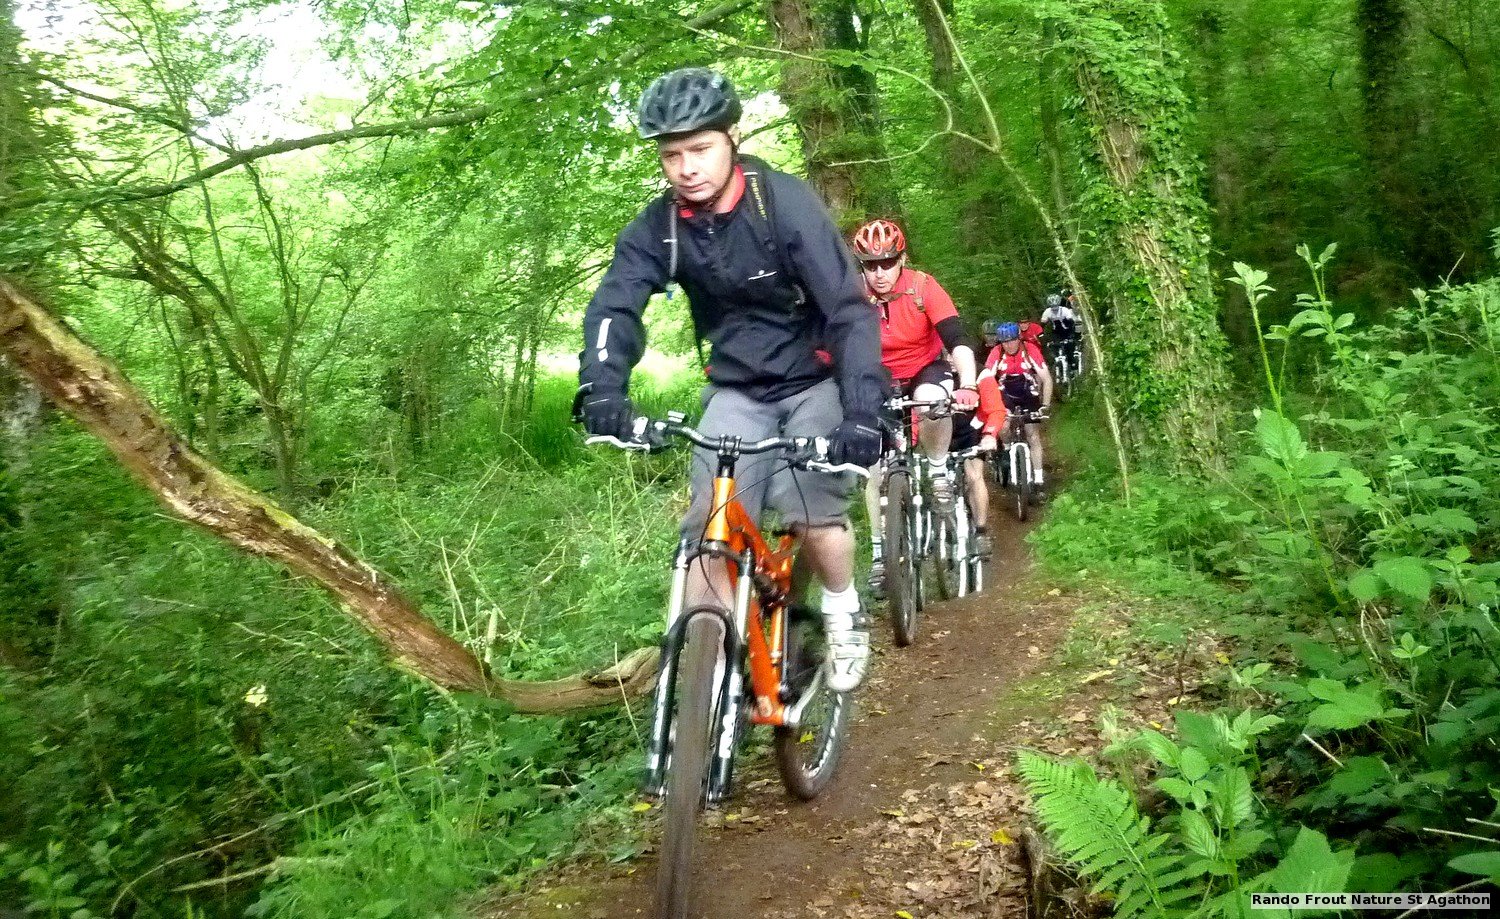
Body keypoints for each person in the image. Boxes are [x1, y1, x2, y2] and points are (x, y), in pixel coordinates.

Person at [575, 68, 886, 692]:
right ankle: (705, 678)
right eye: (672, 156)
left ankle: (842, 609)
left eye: (700, 149)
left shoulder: (784, 203)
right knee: (710, 528)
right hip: (738, 389)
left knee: (810, 509)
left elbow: (849, 312)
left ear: (732, 138)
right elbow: (615, 305)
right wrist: (603, 388)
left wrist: (861, 413)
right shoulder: (662, 226)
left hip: (814, 380)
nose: (686, 168)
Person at [850, 218, 981, 594]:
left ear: (902, 259)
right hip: (879, 377)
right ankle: (881, 554)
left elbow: (956, 338)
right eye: (870, 265)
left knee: (931, 400)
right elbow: (833, 344)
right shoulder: (854, 294)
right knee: (874, 470)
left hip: (925, 367)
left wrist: (968, 384)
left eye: (887, 263)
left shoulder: (923, 287)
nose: (879, 273)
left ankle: (938, 471)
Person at [980, 322, 1053, 497]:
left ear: (1018, 339)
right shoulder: (996, 352)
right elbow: (987, 377)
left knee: (1032, 435)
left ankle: (1038, 480)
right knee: (1004, 426)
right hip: (1005, 393)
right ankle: (1006, 449)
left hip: (1027, 393)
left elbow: (1046, 378)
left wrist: (1045, 406)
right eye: (1004, 342)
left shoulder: (1030, 350)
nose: (1009, 345)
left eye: (1012, 340)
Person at [1041, 293, 1081, 374]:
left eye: (1056, 306)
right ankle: (1059, 366)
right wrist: (1041, 334)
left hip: (1068, 330)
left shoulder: (1065, 310)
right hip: (1057, 332)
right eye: (1052, 306)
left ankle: (1073, 365)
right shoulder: (1047, 312)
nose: (1054, 308)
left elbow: (1071, 322)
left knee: (1069, 348)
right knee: (1054, 346)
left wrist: (1072, 335)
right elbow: (1042, 324)